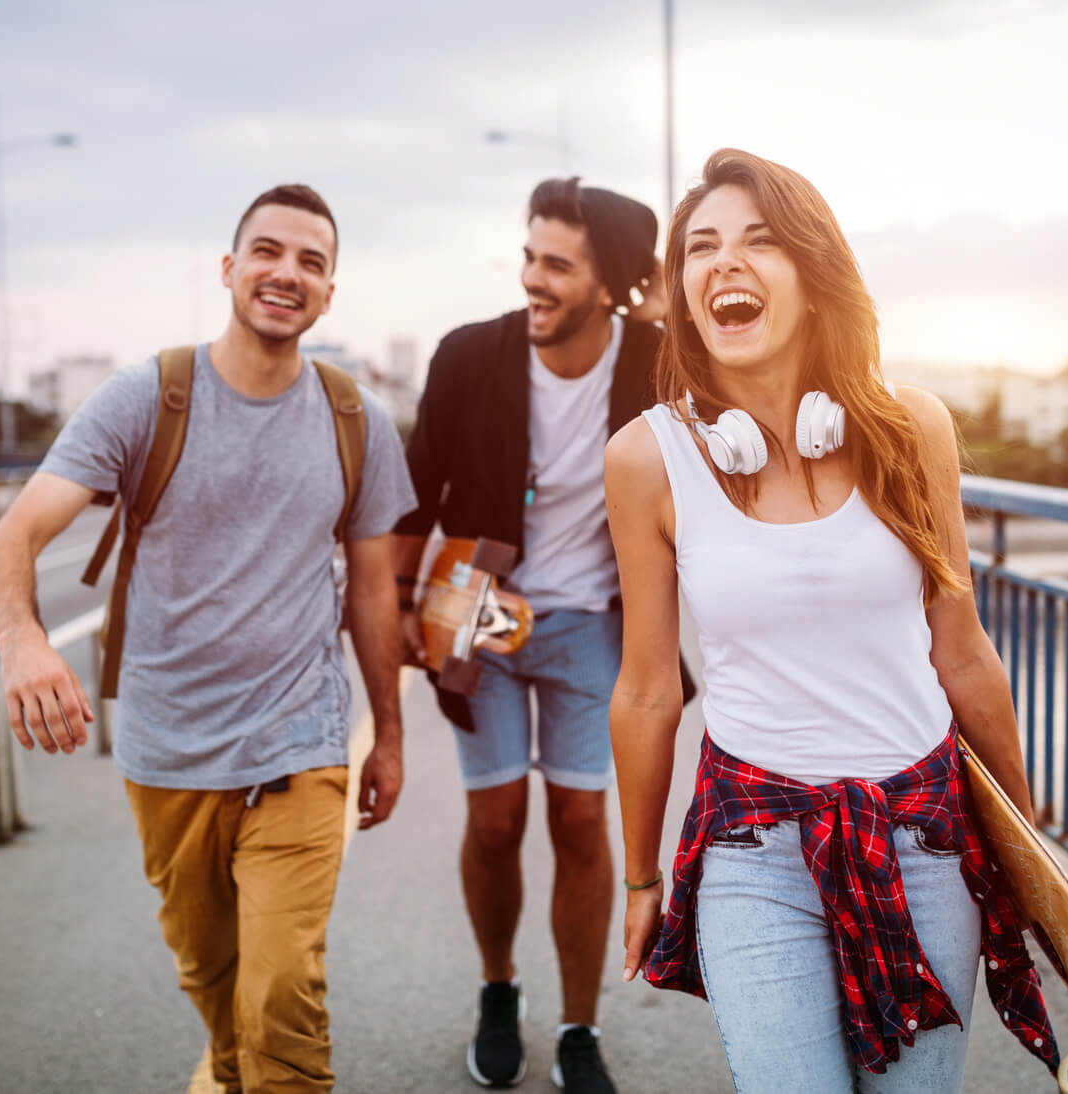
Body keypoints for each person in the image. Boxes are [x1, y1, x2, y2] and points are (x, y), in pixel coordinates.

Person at [604, 149, 1060, 1093]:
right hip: (751, 849)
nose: (723, 263)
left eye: (758, 242)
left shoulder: (910, 428)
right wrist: (641, 879)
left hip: (923, 836)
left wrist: (1027, 847)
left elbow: (964, 652)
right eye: (701, 248)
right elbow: (648, 691)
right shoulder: (649, 459)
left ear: (815, 278)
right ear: (684, 290)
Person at [0, 183, 417, 1094]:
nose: (286, 273)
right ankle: (225, 1069)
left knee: (284, 994)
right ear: (229, 268)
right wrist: (23, 641)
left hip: (300, 745)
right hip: (168, 750)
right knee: (214, 982)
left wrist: (390, 735)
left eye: (312, 262)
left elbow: (375, 591)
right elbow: (11, 539)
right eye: (268, 251)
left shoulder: (356, 420)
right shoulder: (146, 398)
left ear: (331, 293)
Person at [392, 177, 670, 1094]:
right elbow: (416, 490)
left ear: (612, 283)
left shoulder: (659, 363)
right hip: (476, 614)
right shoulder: (470, 357)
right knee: (496, 819)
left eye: (558, 264)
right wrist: (400, 602)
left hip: (598, 624)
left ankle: (580, 1027)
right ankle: (499, 989)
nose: (533, 280)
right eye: (529, 257)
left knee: (584, 822)